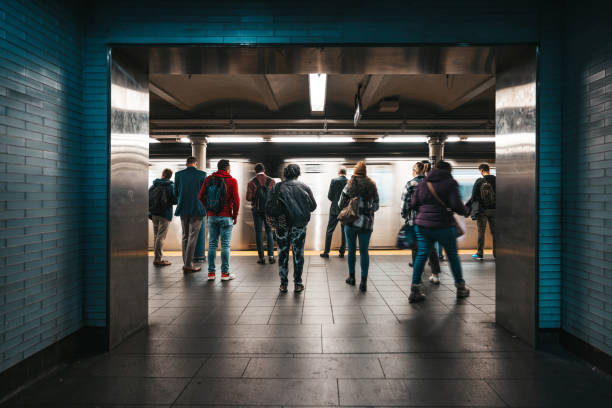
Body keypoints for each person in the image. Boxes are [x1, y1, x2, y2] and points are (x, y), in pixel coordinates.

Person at [409, 160, 470, 302]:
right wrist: (466, 210)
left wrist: (425, 212)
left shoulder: (424, 182)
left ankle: (415, 290)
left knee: (421, 255)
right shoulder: (450, 182)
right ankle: (460, 288)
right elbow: (456, 205)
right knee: (452, 256)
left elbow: (413, 204)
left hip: (423, 226)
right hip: (443, 225)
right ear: (448, 171)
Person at [270, 164, 316, 293]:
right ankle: (298, 283)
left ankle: (283, 284)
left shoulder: (277, 187)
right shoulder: (304, 187)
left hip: (282, 226)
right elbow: (313, 206)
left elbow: (270, 205)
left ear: (285, 174)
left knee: (282, 254)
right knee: (298, 254)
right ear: (298, 173)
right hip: (299, 226)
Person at [338, 161, 379, 292]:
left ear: (355, 171)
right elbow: (376, 205)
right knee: (364, 251)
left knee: (351, 250)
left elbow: (340, 203)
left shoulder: (349, 184)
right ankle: (364, 281)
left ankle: (351, 277)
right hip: (366, 223)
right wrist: (367, 209)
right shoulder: (372, 185)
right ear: (365, 171)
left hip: (350, 222)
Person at [199, 159, 240, 281]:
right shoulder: (232, 181)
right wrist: (235, 216)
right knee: (225, 245)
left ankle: (211, 274)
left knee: (212, 244)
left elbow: (200, 196)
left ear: (218, 168)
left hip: (212, 216)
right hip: (226, 216)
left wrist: (209, 209)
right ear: (228, 168)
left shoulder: (209, 180)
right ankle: (225, 274)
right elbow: (236, 201)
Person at [402, 161, 442, 283]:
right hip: (430, 220)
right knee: (431, 248)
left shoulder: (410, 184)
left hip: (415, 220)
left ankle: (417, 277)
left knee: (415, 248)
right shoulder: (431, 183)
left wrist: (405, 216)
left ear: (414, 171)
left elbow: (405, 203)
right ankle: (435, 275)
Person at [174, 156, 207, 272]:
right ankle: (188, 264)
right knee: (193, 237)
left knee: (185, 236)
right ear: (196, 164)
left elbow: (175, 192)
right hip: (197, 209)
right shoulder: (202, 175)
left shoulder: (178, 175)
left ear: (186, 163)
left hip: (183, 208)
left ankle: (186, 263)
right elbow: (205, 193)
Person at [246, 163, 276, 265]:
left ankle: (262, 258)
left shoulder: (251, 182)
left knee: (258, 233)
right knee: (269, 232)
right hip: (268, 211)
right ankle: (271, 256)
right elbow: (274, 197)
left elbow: (248, 198)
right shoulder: (271, 181)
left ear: (255, 171)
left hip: (257, 211)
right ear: (264, 170)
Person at [149, 168, 178, 266]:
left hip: (154, 214)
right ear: (170, 176)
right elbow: (175, 200)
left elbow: (148, 197)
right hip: (165, 214)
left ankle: (157, 257)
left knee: (157, 236)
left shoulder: (154, 185)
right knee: (161, 237)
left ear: (162, 174)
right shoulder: (170, 186)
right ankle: (158, 259)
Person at [320, 167, 348, 258]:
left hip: (334, 209)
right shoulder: (349, 181)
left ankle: (326, 252)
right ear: (345, 173)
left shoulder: (334, 180)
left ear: (338, 172)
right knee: (344, 231)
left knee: (330, 230)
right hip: (345, 210)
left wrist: (335, 201)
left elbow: (329, 196)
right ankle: (342, 251)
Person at [470, 163, 496, 260]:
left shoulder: (479, 181)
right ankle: (496, 254)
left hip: (482, 211)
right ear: (489, 169)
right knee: (495, 233)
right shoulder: (496, 180)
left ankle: (480, 253)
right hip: (495, 210)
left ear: (481, 170)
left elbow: (473, 197)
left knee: (481, 232)